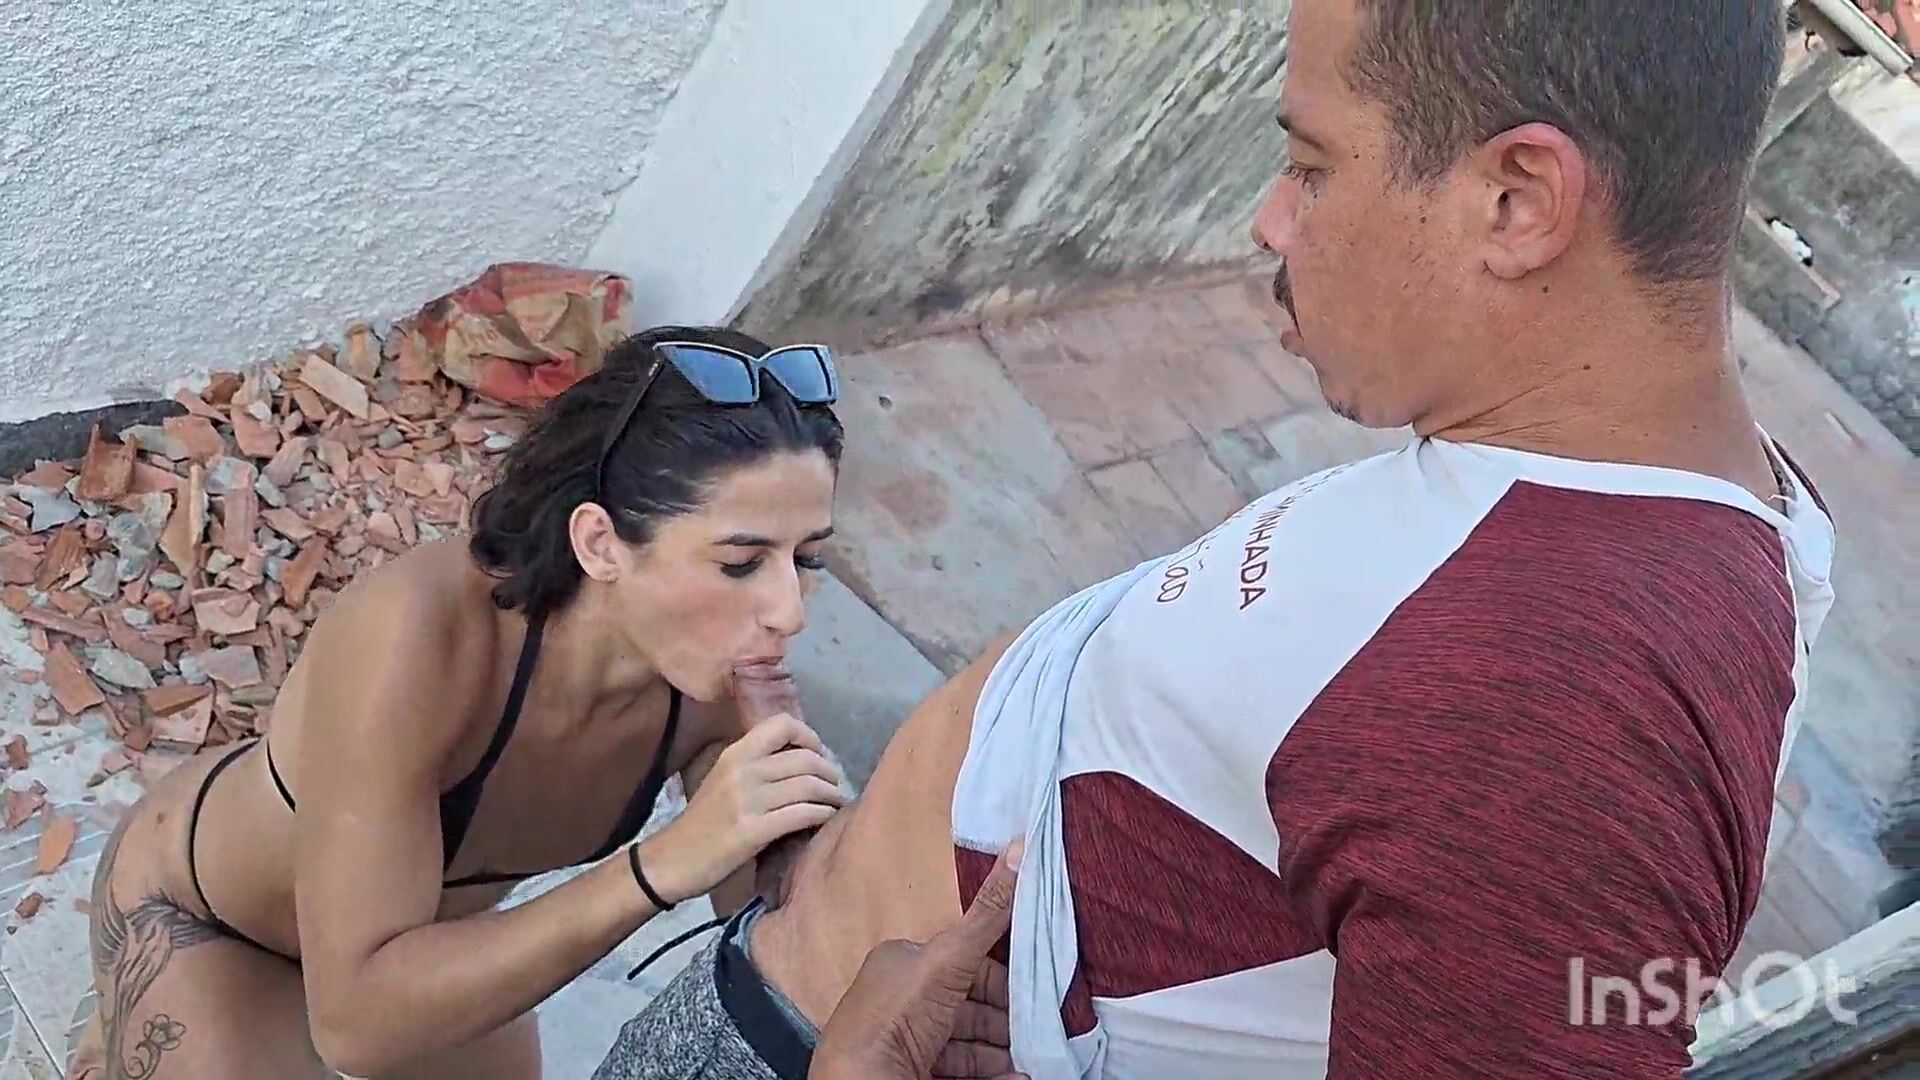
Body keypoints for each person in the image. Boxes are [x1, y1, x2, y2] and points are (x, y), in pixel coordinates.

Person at [598, 1, 1837, 1078]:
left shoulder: (1554, 710)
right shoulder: (1643, 497)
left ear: (1516, 201)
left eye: (1311, 165)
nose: (1269, 220)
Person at [74, 326, 853, 1079]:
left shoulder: (711, 688)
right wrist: (660, 867)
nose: (790, 611)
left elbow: (780, 936)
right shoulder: (417, 638)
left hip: (431, 946)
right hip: (213, 924)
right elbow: (356, 1028)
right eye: (742, 563)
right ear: (600, 543)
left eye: (807, 559)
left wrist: (813, 851)